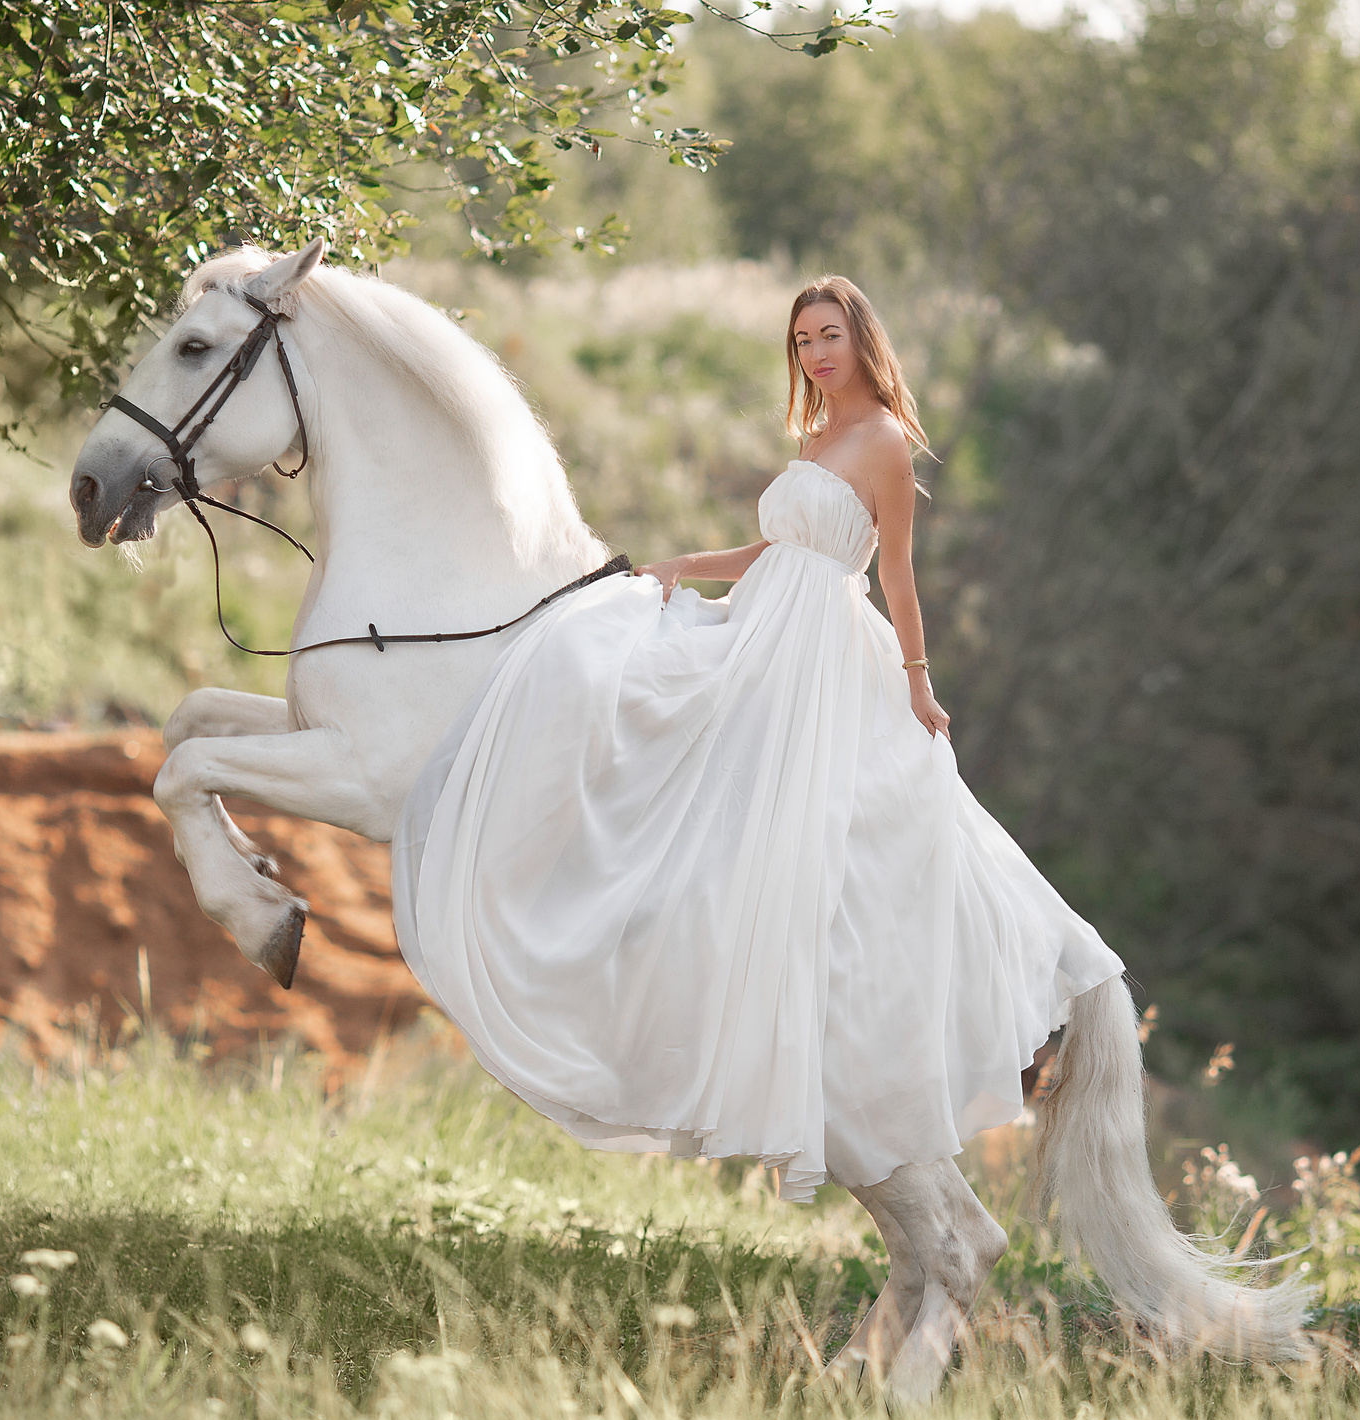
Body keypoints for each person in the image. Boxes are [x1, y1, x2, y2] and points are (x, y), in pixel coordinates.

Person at [390, 276, 1125, 1204]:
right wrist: (680, 565)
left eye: (830, 336)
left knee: (784, 814)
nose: (816, 354)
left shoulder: (885, 441)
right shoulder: (815, 437)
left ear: (862, 341)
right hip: (763, 620)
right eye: (802, 339)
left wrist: (916, 681)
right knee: (620, 656)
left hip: (818, 645)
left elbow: (895, 573)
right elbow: (772, 553)